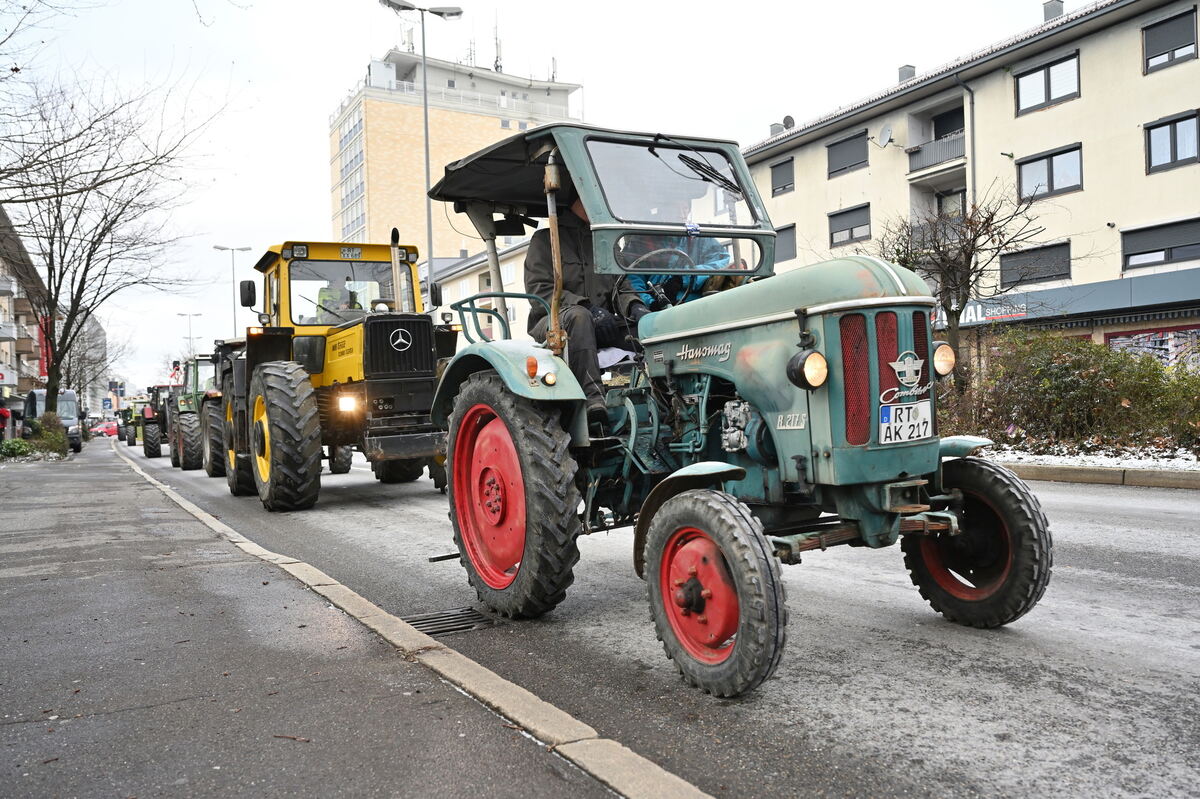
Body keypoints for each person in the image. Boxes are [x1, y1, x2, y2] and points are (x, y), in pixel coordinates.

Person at [525, 192, 642, 430]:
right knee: (580, 317)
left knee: (646, 328)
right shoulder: (546, 240)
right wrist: (586, 305)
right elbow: (539, 290)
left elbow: (622, 289)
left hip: (602, 322)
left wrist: (636, 307)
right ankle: (593, 400)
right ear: (581, 198)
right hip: (553, 319)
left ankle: (653, 399)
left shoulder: (604, 244)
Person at [620, 232, 730, 317]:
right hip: (659, 314)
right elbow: (632, 283)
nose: (682, 209)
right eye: (674, 206)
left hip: (701, 305)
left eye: (686, 205)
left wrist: (683, 278)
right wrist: (653, 304)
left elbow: (720, 263)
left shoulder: (697, 237)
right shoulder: (640, 244)